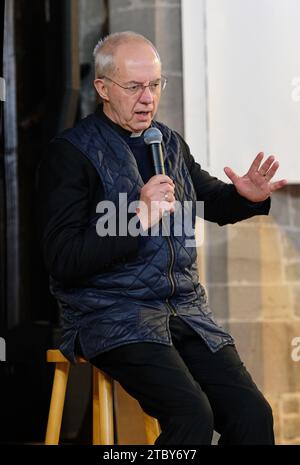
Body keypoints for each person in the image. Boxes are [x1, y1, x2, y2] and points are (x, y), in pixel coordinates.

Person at [37, 31, 287, 445]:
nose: (148, 98)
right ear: (102, 88)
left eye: (154, 85)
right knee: (192, 416)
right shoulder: (71, 153)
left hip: (184, 312)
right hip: (111, 314)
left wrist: (245, 198)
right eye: (134, 87)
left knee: (252, 415)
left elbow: (209, 201)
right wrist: (138, 217)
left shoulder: (167, 142)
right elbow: (62, 259)